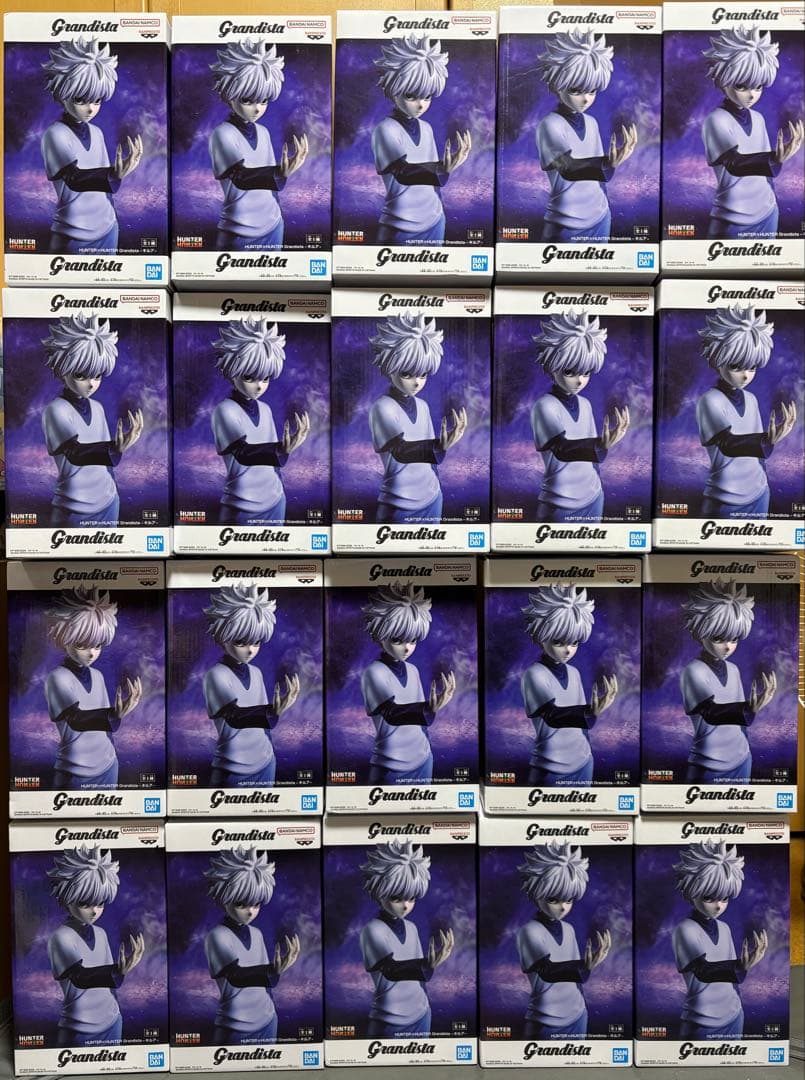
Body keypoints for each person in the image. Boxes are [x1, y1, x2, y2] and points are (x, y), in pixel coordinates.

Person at [41, 36, 143, 254]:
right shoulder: (55, 134)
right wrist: (114, 174)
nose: (90, 108)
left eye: (97, 101)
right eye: (81, 99)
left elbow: (105, 191)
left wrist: (115, 179)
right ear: (62, 94)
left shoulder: (97, 133)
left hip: (108, 228)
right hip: (72, 233)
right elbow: (74, 178)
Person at [41, 315, 144, 527]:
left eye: (97, 376)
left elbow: (106, 464)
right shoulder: (56, 410)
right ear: (62, 370)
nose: (91, 384)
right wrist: (115, 448)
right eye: (81, 375)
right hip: (73, 507)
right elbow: (75, 453)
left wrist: (114, 486)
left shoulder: (97, 408)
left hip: (109, 501)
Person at [701, 27, 803, 240]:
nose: (752, 95)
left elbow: (766, 174)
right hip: (732, 217)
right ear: (722, 80)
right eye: (742, 86)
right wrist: (775, 158)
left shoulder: (758, 118)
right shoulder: (716, 120)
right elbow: (735, 163)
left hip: (768, 211)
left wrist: (774, 171)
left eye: (758, 87)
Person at [696, 304, 796, 519]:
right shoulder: (710, 401)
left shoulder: (751, 399)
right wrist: (767, 439)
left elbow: (758, 457)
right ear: (717, 361)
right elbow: (728, 444)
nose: (745, 375)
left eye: (752, 368)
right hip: (724, 498)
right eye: (736, 366)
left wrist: (766, 446)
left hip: (760, 492)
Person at [536, 30, 637, 242]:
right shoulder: (550, 125)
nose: (585, 99)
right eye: (576, 90)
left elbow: (600, 178)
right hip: (565, 222)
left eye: (592, 91)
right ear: (557, 85)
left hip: (601, 216)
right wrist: (608, 162)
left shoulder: (592, 123)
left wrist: (609, 165)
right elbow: (568, 167)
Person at [371, 33, 471, 245]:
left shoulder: (426, 129)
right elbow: (403, 172)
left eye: (427, 96)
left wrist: (442, 174)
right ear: (393, 89)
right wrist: (442, 168)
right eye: (411, 95)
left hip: (435, 220)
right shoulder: (385, 130)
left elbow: (434, 184)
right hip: (399, 225)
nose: (421, 104)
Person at [209, 39, 308, 251]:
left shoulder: (263, 132)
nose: (257, 109)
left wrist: (279, 180)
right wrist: (280, 172)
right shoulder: (222, 134)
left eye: (264, 101)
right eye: (247, 100)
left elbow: (271, 189)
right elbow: (241, 177)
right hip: (238, 231)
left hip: (273, 225)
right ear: (229, 95)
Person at [368, 314, 467, 524]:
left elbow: (430, 461)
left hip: (433, 497)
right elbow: (401, 450)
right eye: (407, 374)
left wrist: (438, 452)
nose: (417, 382)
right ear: (389, 368)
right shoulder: (382, 407)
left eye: (423, 375)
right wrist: (438, 445)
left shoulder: (423, 406)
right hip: (398, 502)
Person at [531, 312, 629, 523]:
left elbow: (592, 460)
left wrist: (600, 449)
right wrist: (600, 444)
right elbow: (562, 449)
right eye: (570, 372)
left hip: (594, 496)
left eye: (586, 373)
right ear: (552, 366)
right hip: (559, 501)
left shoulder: (585, 404)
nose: (579, 381)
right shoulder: (545, 406)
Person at [211, 318, 309, 525]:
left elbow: (274, 465)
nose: (259, 386)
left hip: (276, 500)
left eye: (265, 379)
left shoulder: (265, 409)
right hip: (240, 505)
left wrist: (281, 482)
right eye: (249, 377)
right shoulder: (225, 410)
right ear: (231, 372)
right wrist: (281, 448)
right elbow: (243, 453)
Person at [44, 586, 142, 789]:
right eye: (82, 644)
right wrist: (114, 714)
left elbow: (106, 730)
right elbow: (76, 719)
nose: (92, 653)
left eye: (97, 646)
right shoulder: (57, 678)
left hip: (109, 765)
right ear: (64, 639)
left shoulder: (97, 676)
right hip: (74, 771)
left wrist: (114, 722)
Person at [202, 585, 300, 788]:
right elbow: (234, 716)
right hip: (232, 768)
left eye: (256, 642)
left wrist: (271, 746)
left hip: (266, 762)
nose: (250, 650)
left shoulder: (256, 673)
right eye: (241, 642)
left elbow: (264, 727)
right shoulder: (216, 675)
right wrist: (272, 711)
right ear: (222, 637)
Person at [680, 578, 776, 784]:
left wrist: (749, 715)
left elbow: (740, 725)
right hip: (708, 764)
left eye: (734, 639)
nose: (728, 647)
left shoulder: (733, 670)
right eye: (718, 638)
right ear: (700, 633)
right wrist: (749, 708)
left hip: (742, 759)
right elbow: (711, 712)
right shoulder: (693, 671)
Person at [47, 845, 145, 1047]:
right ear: (66, 900)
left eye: (100, 904)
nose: (94, 911)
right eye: (85, 903)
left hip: (112, 1021)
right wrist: (118, 970)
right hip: (78, 1027)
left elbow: (109, 985)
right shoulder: (61, 937)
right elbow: (80, 977)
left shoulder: (101, 933)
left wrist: (119, 974)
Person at [520, 585, 617, 787]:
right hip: (550, 767)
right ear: (540, 637)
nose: (568, 650)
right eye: (559, 642)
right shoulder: (534, 674)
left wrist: (590, 718)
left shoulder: (574, 673)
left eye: (574, 643)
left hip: (584, 762)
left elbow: (583, 726)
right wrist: (590, 711)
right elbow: (552, 716)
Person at [360, 582, 455, 785]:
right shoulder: (374, 672)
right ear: (380, 635)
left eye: (413, 641)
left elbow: (420, 723)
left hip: (423, 758)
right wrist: (429, 708)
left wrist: (428, 741)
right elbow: (392, 713)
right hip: (390, 764)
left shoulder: (413, 670)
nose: (407, 648)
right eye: (397, 640)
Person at [204, 846, 300, 1045]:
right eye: (241, 904)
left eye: (256, 904)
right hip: (234, 1024)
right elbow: (236, 976)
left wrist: (273, 975)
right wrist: (273, 970)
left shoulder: (257, 934)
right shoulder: (217, 936)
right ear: (223, 899)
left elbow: (266, 984)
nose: (250, 911)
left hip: (268, 1019)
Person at [672, 841, 767, 1039]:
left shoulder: (724, 928)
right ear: (691, 892)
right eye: (709, 898)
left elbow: (733, 980)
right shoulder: (685, 929)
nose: (718, 906)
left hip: (734, 1015)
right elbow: (704, 971)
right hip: (701, 1021)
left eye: (725, 899)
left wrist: (741, 969)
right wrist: (740, 965)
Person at [516, 841, 611, 1039]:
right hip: (545, 1019)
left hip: (578, 1015)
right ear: (536, 893)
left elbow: (578, 979)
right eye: (553, 899)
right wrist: (584, 965)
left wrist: (586, 968)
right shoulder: (529, 931)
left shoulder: (569, 929)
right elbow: (548, 971)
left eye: (569, 900)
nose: (563, 907)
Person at [359, 841, 454, 1037]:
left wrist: (427, 1001)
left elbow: (419, 980)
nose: (405, 906)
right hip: (388, 1019)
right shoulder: (372, 930)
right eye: (396, 898)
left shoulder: (411, 928)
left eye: (411, 899)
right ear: (379, 893)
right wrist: (427, 964)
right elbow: (391, 969)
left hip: (422, 1014)